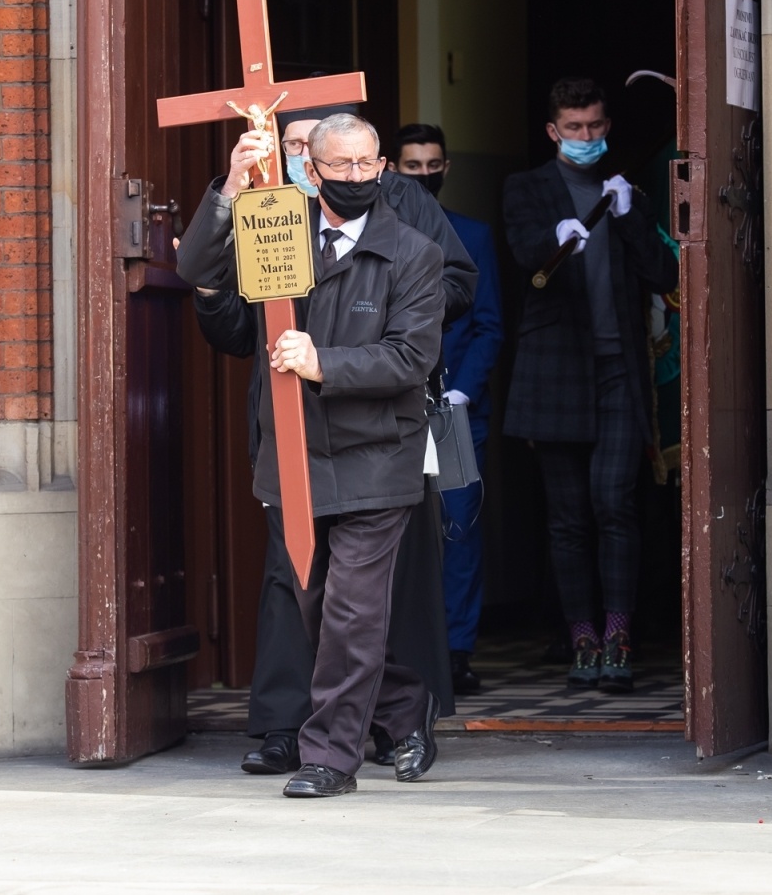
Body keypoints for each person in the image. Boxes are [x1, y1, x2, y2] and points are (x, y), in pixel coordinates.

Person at [188, 102, 475, 777]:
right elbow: (200, 266)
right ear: (309, 172)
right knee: (319, 610)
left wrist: (324, 364)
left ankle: (329, 759)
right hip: (293, 450)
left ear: (381, 167)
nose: (354, 174)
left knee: (351, 610)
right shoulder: (278, 228)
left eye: (364, 163)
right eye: (338, 163)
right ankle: (404, 709)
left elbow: (411, 359)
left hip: (377, 455)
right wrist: (231, 186)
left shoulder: (413, 252)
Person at [502, 78, 678, 693]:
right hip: (555, 370)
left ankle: (619, 633)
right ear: (554, 131)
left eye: (595, 126)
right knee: (569, 517)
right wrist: (554, 238)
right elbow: (521, 255)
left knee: (615, 503)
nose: (586, 138)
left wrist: (631, 220)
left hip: (618, 369)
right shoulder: (526, 188)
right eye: (574, 128)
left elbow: (664, 273)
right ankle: (581, 636)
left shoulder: (625, 190)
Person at [390, 124, 502, 695]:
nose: (425, 175)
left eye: (434, 164)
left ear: (447, 165)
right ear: (393, 168)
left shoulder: (473, 235)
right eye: (414, 166)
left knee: (458, 529)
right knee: (389, 532)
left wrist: (464, 391)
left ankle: (456, 651)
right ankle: (400, 655)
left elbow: (489, 324)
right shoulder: (375, 232)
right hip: (389, 407)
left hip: (453, 410)